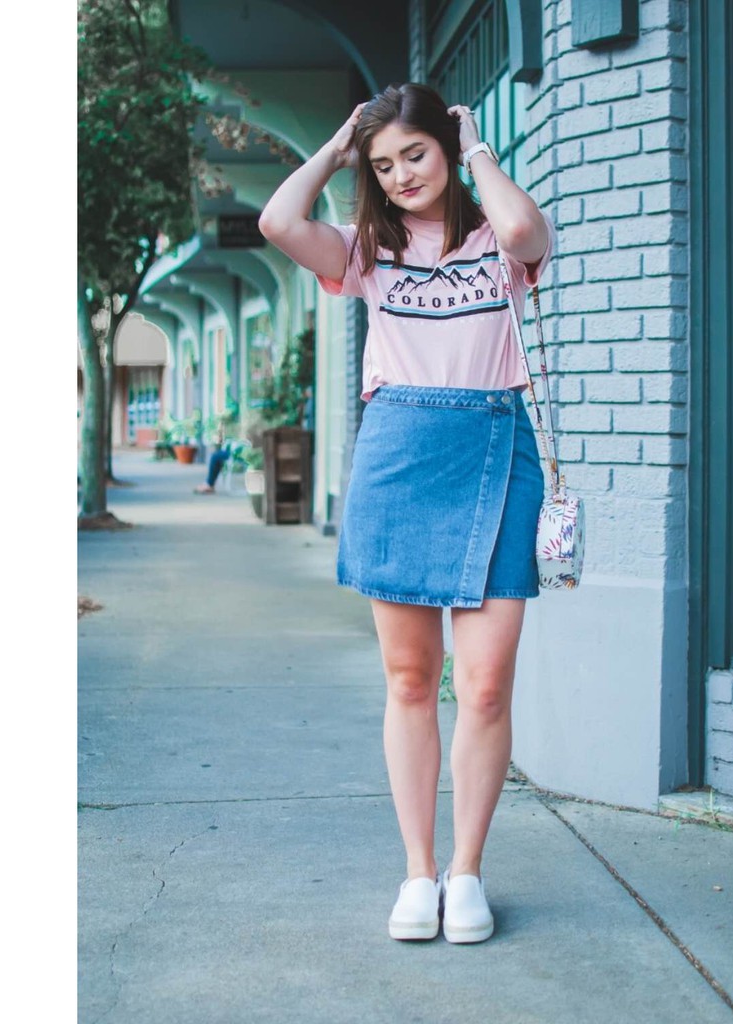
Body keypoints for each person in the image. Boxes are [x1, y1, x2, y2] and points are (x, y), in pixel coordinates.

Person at [258, 83, 554, 944]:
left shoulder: (496, 237)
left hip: (498, 450)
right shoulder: (362, 250)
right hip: (398, 454)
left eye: (414, 154)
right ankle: (418, 872)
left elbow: (529, 233)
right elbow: (279, 222)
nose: (400, 177)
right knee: (411, 681)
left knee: (487, 684)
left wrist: (477, 150)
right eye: (383, 166)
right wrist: (337, 149)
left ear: (448, 149)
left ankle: (467, 873)